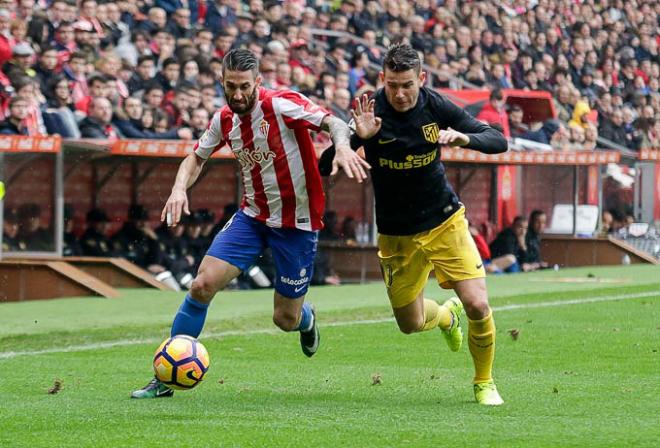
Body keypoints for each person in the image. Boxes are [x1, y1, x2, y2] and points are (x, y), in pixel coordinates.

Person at [131, 48, 369, 399]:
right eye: (231, 87)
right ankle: (166, 378)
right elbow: (195, 158)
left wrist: (344, 147)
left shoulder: (282, 104)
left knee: (284, 319)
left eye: (245, 86)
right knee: (201, 286)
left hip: (297, 224)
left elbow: (332, 122)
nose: (238, 94)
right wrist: (179, 188)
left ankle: (307, 319)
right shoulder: (224, 119)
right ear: (222, 83)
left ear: (258, 81)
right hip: (252, 217)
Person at [349, 43, 507, 405]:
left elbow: (498, 141)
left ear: (422, 78)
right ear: (381, 80)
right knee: (410, 324)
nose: (401, 93)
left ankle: (484, 381)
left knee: (479, 305)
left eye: (407, 84)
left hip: (443, 220)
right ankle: (445, 318)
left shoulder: (436, 105)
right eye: (393, 85)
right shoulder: (368, 111)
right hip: (396, 234)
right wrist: (355, 141)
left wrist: (464, 137)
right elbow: (328, 162)